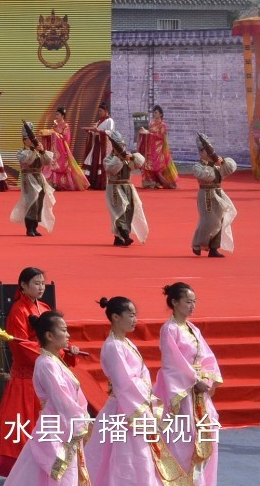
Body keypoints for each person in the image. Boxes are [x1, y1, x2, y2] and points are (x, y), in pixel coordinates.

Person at [0, 267, 81, 477]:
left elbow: (53, 339)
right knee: (25, 427)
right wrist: (53, 357)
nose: (41, 287)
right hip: (27, 378)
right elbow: (21, 346)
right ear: (23, 286)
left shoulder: (44, 307)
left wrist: (65, 353)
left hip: (45, 369)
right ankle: (23, 471)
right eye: (36, 283)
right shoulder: (18, 310)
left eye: (43, 283)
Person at [85, 296, 174, 486]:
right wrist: (147, 395)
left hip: (132, 405)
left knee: (134, 455)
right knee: (126, 457)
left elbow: (139, 377)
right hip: (126, 409)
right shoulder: (113, 346)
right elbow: (125, 383)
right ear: (116, 317)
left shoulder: (125, 343)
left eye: (135, 315)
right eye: (131, 315)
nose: (135, 320)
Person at [1, 311, 92, 486]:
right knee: (59, 474)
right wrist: (83, 421)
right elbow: (62, 400)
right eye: (64, 330)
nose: (68, 335)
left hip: (63, 424)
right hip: (59, 425)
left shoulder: (53, 361)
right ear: (49, 335)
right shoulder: (46, 363)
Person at [156, 282, 222, 485]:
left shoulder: (193, 329)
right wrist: (194, 380)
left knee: (206, 434)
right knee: (183, 439)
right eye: (188, 302)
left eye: (194, 302)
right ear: (175, 302)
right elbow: (172, 364)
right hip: (182, 395)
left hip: (197, 392)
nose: (192, 306)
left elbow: (207, 358)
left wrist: (207, 378)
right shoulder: (170, 329)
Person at [191, 134, 237, 257]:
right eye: (206, 150)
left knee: (220, 220)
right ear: (201, 152)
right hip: (205, 194)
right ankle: (197, 243)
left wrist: (223, 162)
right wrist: (213, 164)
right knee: (208, 221)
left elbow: (230, 169)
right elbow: (207, 176)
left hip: (218, 193)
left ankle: (214, 248)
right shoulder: (198, 166)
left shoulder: (217, 164)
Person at [11, 122, 56, 238]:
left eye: (31, 138)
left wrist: (42, 151)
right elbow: (27, 161)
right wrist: (33, 150)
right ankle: (29, 228)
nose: (30, 141)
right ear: (24, 140)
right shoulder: (22, 152)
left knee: (39, 202)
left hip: (39, 177)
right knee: (31, 202)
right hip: (28, 179)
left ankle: (35, 227)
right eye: (27, 139)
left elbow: (47, 161)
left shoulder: (37, 150)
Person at [104, 131, 149, 247]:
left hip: (128, 187)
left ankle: (119, 237)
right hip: (114, 188)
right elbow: (112, 169)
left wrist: (131, 156)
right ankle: (125, 236)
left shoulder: (128, 157)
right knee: (119, 212)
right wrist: (119, 158)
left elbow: (140, 162)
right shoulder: (108, 159)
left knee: (129, 210)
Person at [41, 107, 88, 192]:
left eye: (58, 114)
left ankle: (61, 184)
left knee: (61, 166)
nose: (56, 116)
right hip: (54, 149)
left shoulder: (66, 126)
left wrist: (54, 134)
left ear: (62, 116)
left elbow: (66, 138)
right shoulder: (55, 125)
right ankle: (53, 184)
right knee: (51, 165)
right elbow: (52, 135)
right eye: (56, 114)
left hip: (61, 149)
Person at [138, 105, 179, 189]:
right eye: (154, 112)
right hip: (150, 148)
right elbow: (149, 132)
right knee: (148, 165)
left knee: (158, 166)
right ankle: (152, 182)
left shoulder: (162, 125)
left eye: (156, 112)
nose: (154, 114)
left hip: (158, 149)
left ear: (161, 114)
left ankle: (165, 182)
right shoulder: (151, 123)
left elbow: (161, 137)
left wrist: (149, 134)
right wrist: (144, 132)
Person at [82, 102, 114, 191]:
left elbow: (110, 132)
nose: (99, 113)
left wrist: (100, 132)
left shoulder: (109, 121)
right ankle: (93, 182)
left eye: (101, 111)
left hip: (103, 146)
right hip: (96, 145)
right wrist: (90, 132)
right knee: (91, 161)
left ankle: (102, 183)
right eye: (98, 111)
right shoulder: (99, 121)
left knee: (101, 161)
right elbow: (95, 131)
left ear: (106, 111)